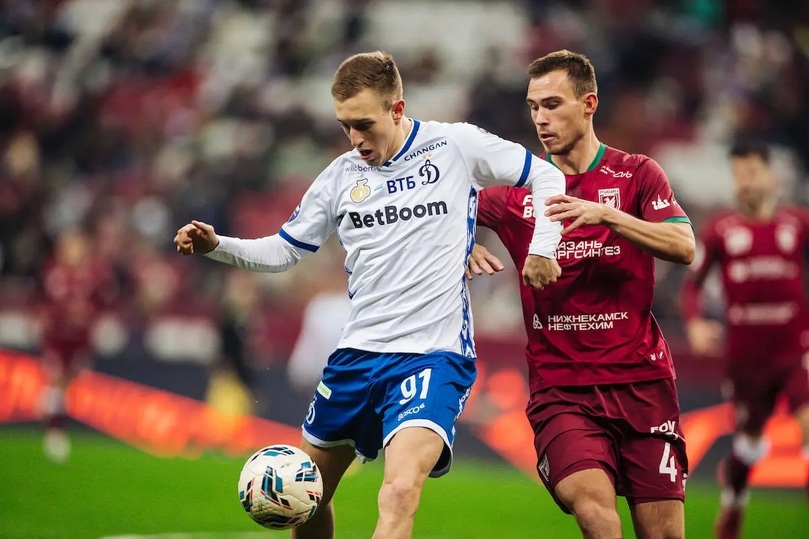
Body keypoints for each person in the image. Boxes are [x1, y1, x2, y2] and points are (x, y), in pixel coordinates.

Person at [174, 51, 565, 539]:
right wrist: (217, 246)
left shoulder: (455, 146)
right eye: (345, 127)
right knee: (307, 494)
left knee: (399, 492)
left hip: (433, 355)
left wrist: (543, 248)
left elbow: (547, 176)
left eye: (364, 125)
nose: (355, 139)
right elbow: (283, 250)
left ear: (397, 109)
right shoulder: (340, 176)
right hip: (357, 356)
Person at [468, 50, 695, 539]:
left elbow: (684, 246)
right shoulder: (515, 191)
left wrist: (608, 215)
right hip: (563, 391)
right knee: (595, 514)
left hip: (643, 385)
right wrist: (460, 246)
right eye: (533, 107)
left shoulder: (636, 173)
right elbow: (434, 212)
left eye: (552, 104)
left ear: (589, 103)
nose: (540, 119)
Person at [680, 140, 809, 539]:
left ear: (771, 177)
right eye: (738, 174)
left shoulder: (797, 225)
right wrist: (695, 323)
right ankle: (734, 502)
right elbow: (692, 286)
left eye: (752, 172)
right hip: (747, 359)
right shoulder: (721, 230)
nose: (745, 182)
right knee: (750, 446)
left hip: (795, 351)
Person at [38, 228, 116, 462]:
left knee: (69, 383)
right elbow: (43, 302)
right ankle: (55, 432)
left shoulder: (94, 274)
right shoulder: (53, 273)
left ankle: (51, 411)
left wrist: (90, 318)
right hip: (56, 338)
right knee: (56, 381)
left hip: (81, 340)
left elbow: (104, 302)